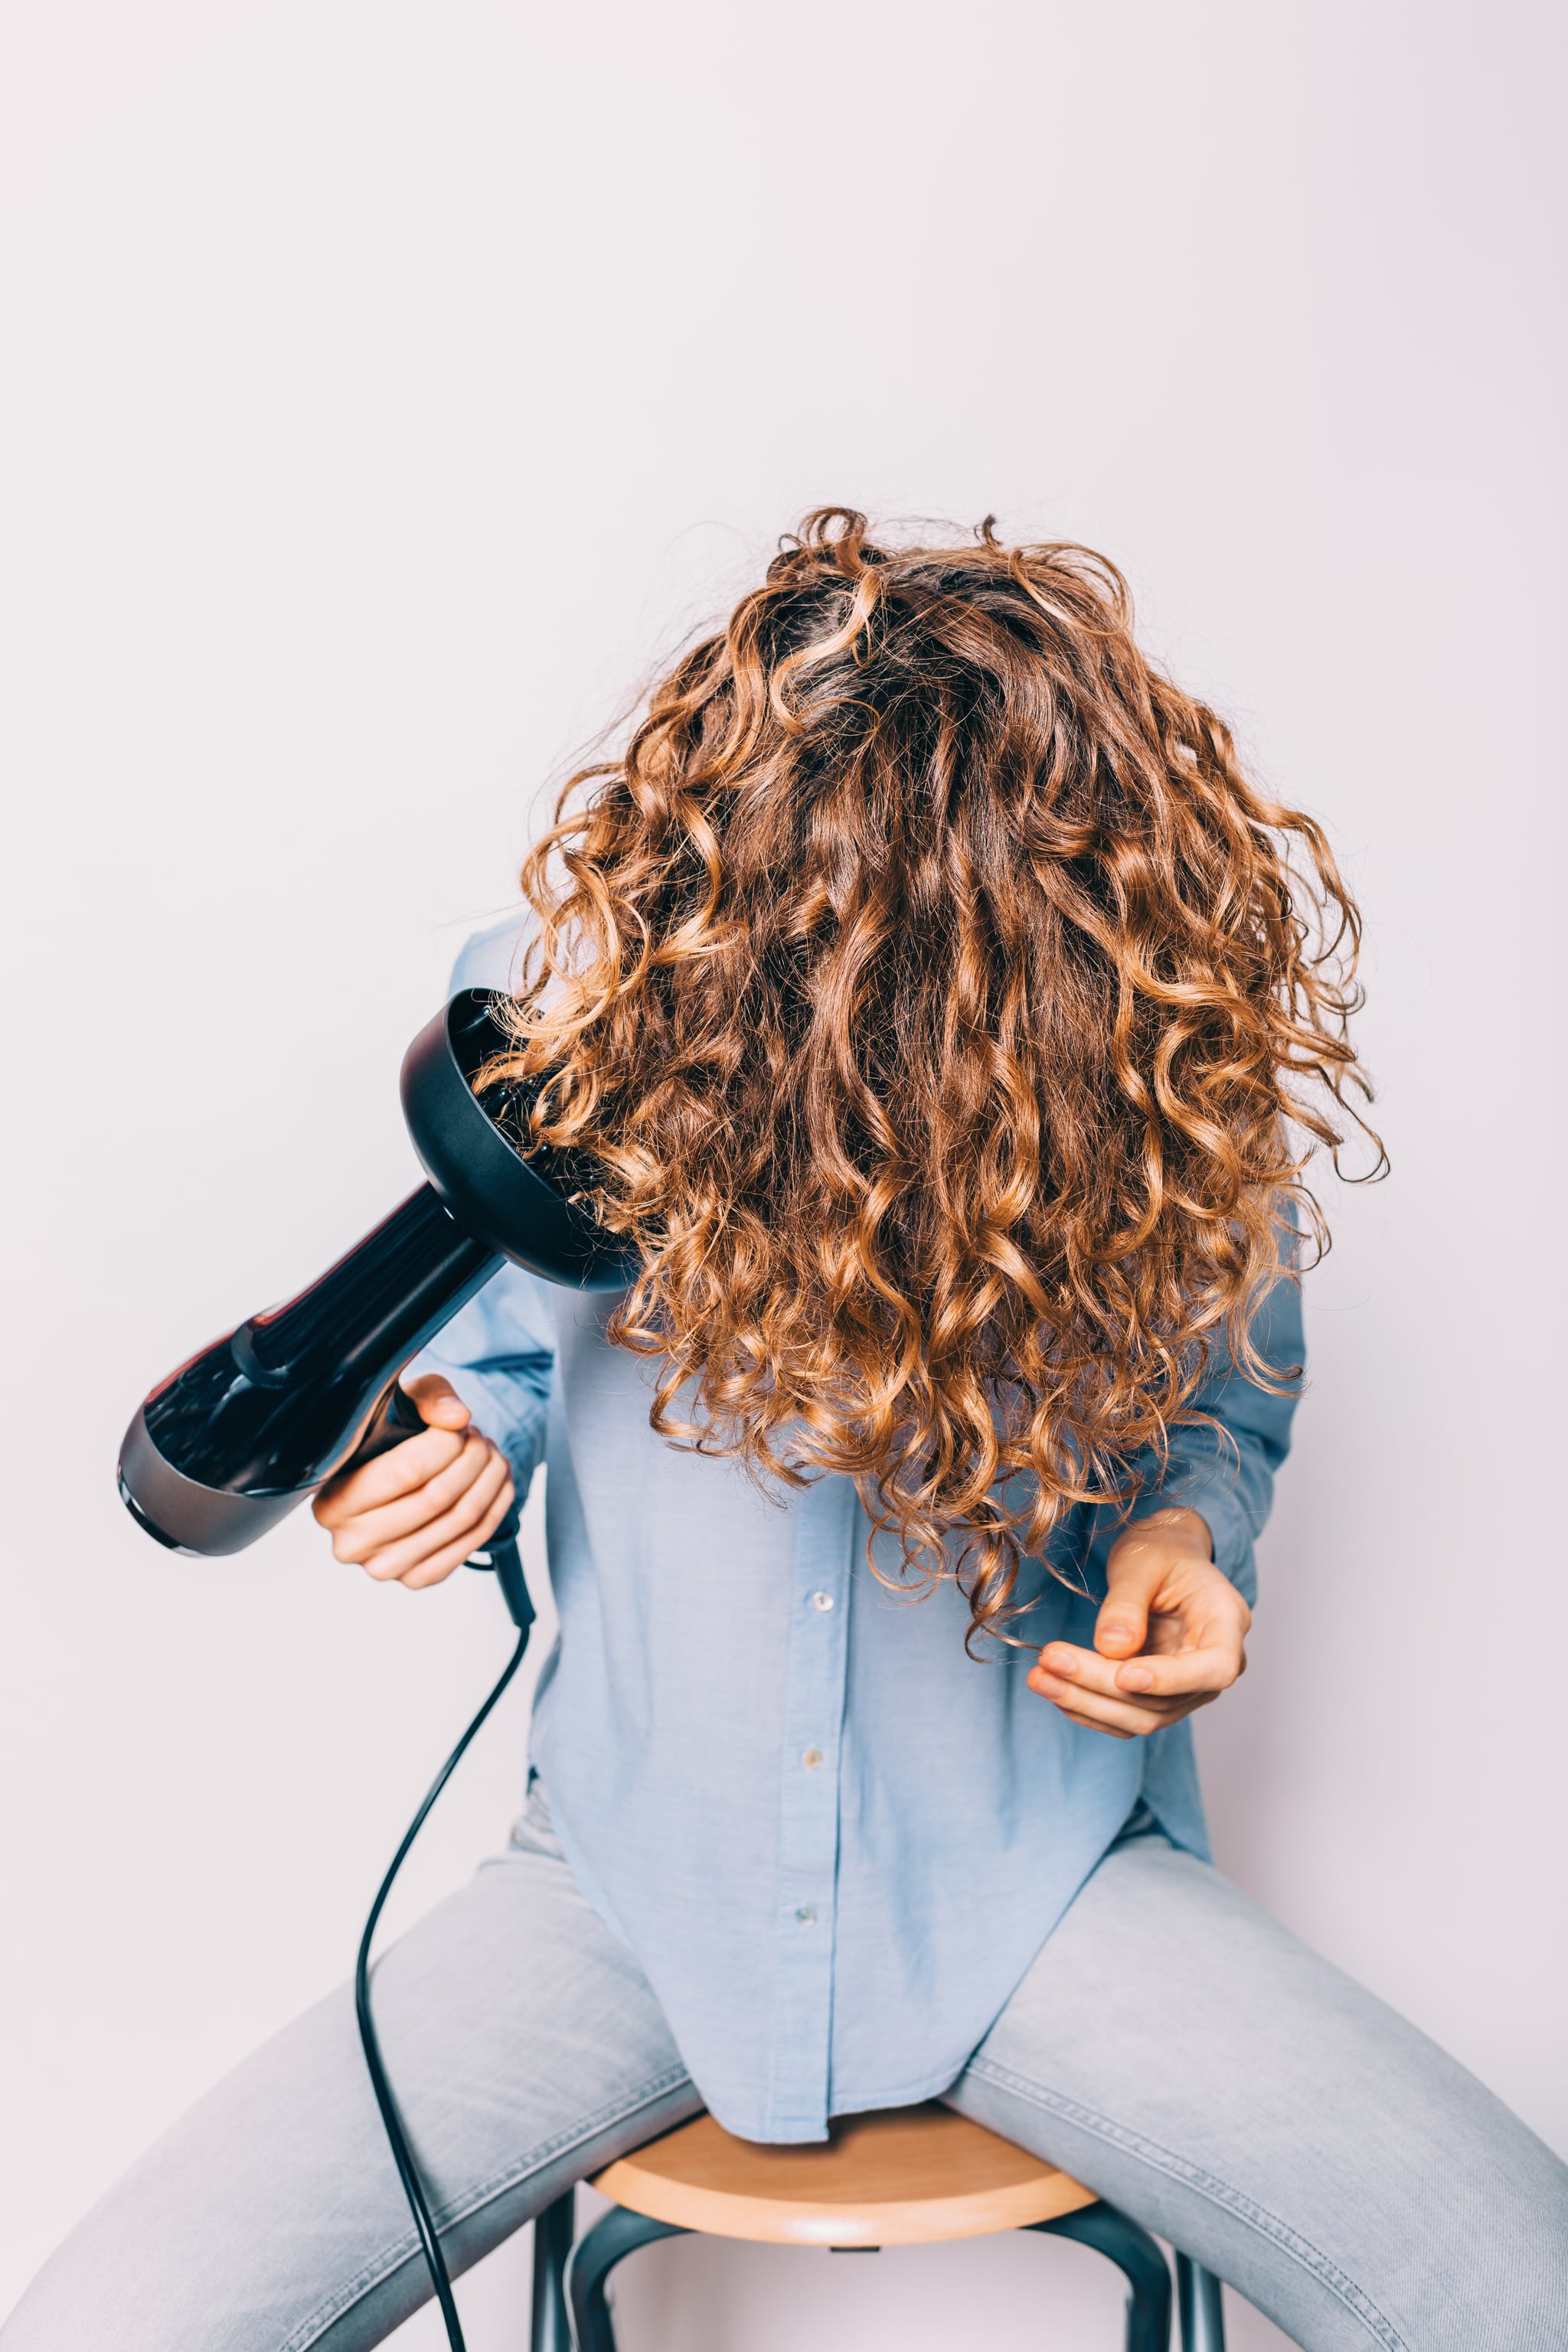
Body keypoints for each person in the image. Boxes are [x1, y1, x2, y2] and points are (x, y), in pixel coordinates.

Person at [6, 512, 1563, 2350]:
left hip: (1033, 1888)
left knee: (1513, 2288)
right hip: (620, 1887)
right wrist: (444, 1443)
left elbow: (1216, 1409)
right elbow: (506, 1359)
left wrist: (1184, 1543)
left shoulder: (1151, 1067)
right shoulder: (561, 1015)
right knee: (120, 2319)